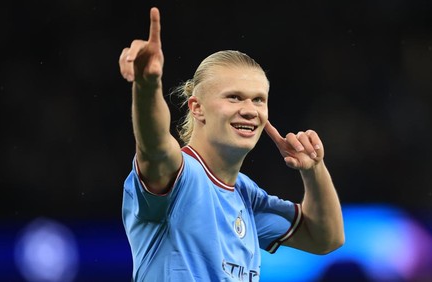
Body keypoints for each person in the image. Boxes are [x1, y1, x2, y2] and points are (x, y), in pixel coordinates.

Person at [119, 7, 345, 282]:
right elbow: (153, 146)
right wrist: (147, 85)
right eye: (235, 97)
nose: (250, 110)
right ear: (197, 108)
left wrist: (313, 170)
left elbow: (326, 238)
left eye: (258, 99)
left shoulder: (247, 195)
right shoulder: (179, 176)